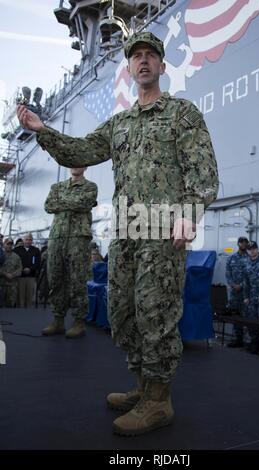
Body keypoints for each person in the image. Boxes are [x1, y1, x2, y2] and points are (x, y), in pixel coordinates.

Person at [17, 31, 219, 435]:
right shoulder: (119, 125)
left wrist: (190, 213)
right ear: (129, 69)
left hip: (162, 227)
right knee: (124, 311)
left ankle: (159, 401)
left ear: (161, 66)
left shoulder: (182, 113)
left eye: (150, 55)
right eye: (136, 56)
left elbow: (203, 171)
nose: (143, 61)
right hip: (125, 229)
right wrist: (42, 129)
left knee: (155, 312)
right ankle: (143, 387)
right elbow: (79, 151)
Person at [41, 167, 98, 339]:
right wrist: (72, 201)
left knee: (77, 280)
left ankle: (79, 322)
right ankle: (58, 320)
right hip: (57, 236)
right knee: (56, 278)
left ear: (85, 167)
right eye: (71, 164)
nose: (75, 166)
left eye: (79, 163)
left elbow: (85, 204)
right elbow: (48, 206)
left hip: (78, 237)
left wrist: (62, 202)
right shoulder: (56, 187)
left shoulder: (91, 186)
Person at [225, 236, 249, 347]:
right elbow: (228, 274)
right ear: (238, 244)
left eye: (245, 243)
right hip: (234, 292)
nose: (243, 244)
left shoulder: (250, 258)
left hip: (246, 293)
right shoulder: (231, 258)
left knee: (247, 316)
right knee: (236, 315)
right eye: (242, 242)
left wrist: (242, 285)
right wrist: (233, 285)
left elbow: (251, 275)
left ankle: (248, 341)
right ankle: (237, 339)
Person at [14, 233, 40, 308]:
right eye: (26, 239)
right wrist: (22, 269)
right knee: (20, 297)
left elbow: (38, 262)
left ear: (32, 241)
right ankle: (19, 314)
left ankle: (28, 314)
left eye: (30, 240)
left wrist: (30, 269)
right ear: (23, 240)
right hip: (20, 276)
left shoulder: (36, 250)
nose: (28, 241)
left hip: (31, 276)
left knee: (29, 296)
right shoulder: (17, 250)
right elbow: (15, 263)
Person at [0, 238, 22, 307]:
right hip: (1, 284)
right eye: (7, 244)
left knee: (11, 306)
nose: (9, 246)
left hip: (12, 286)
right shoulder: (1, 256)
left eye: (11, 244)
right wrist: (5, 274)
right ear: (4, 245)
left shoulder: (16, 257)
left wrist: (12, 275)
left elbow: (20, 269)